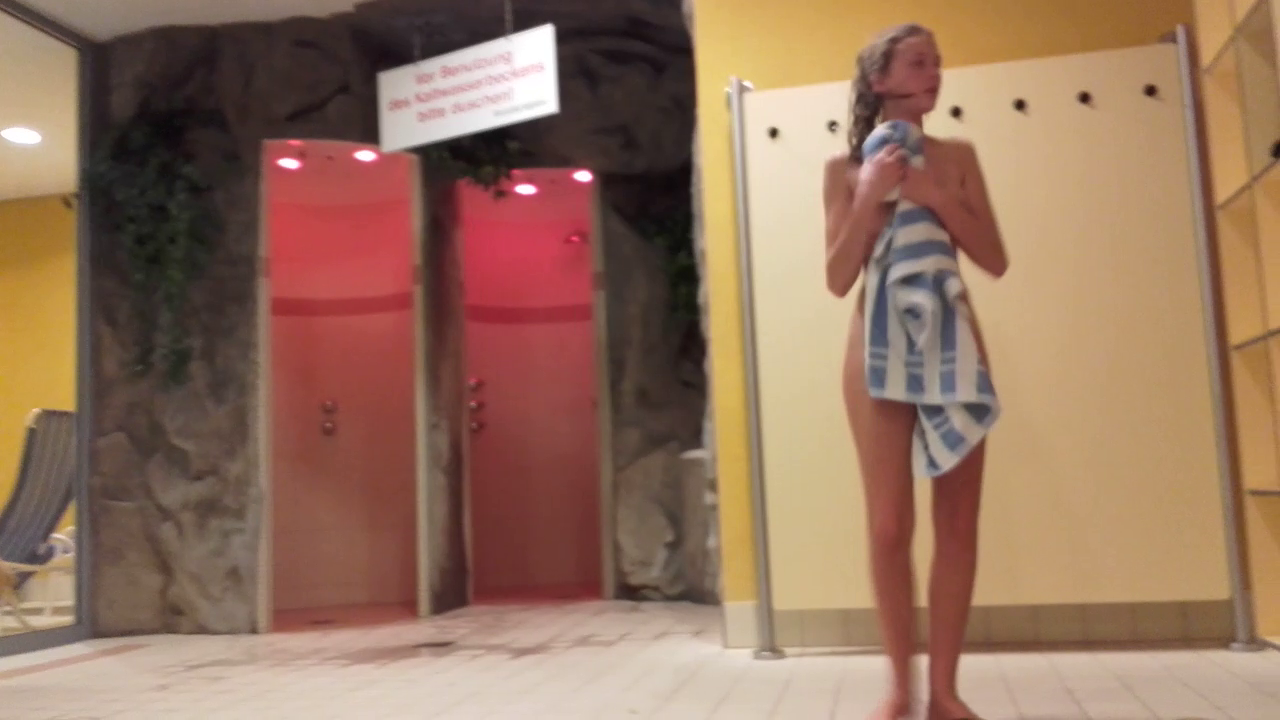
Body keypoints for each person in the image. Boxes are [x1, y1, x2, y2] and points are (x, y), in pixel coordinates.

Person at [822, 23, 1009, 720]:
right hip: (872, 346)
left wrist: (931, 193)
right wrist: (871, 193)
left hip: (953, 337)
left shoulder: (957, 158)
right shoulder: (842, 170)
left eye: (937, 62)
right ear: (880, 80)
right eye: (919, 62)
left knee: (958, 521)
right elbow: (838, 276)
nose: (935, 72)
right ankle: (899, 688)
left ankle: (945, 693)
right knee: (887, 526)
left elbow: (994, 258)